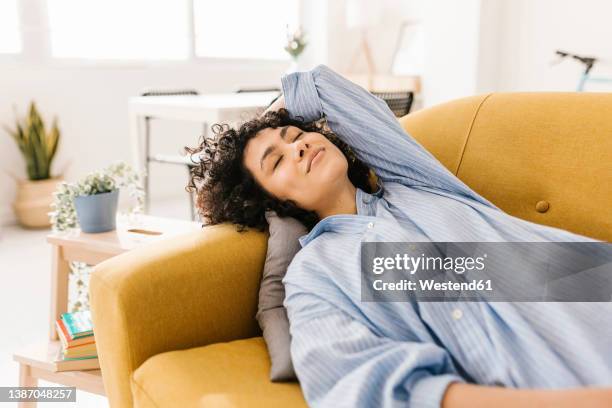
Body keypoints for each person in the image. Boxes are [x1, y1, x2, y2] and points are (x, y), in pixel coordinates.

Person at [186, 65, 612, 407]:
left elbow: (320, 86)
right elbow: (353, 378)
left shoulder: (417, 184)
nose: (297, 147)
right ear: (269, 202)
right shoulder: (316, 272)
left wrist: (267, 122)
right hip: (568, 375)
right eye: (276, 162)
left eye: (296, 135)